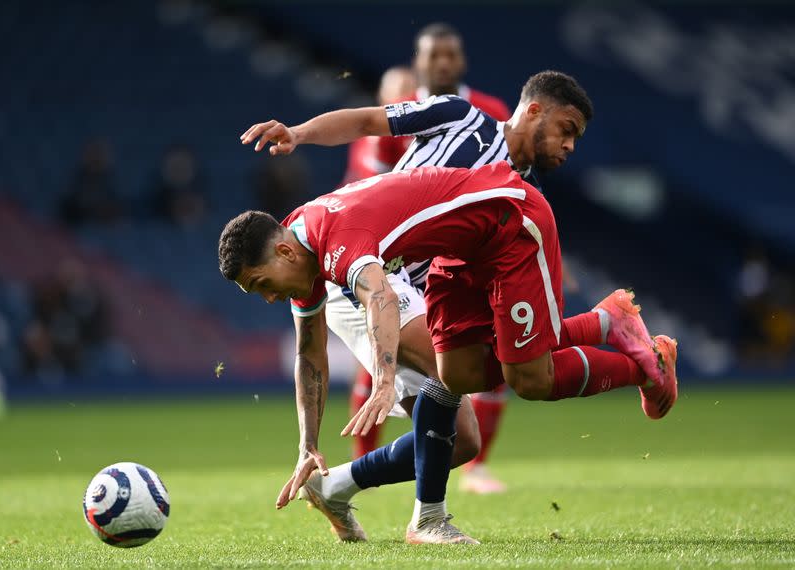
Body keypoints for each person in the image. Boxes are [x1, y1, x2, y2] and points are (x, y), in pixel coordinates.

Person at [228, 72, 678, 543]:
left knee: (523, 378)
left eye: (262, 286)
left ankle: (626, 350)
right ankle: (607, 324)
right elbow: (309, 352)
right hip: (440, 262)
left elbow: (376, 294)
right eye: (566, 130)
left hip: (494, 233)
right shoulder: (309, 243)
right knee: (461, 402)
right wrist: (307, 445)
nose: (270, 298)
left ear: (280, 253)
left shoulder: (334, 244)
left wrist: (383, 379)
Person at [344, 27, 513, 492]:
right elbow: (368, 189)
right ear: (418, 62)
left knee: (485, 358)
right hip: (398, 261)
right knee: (384, 356)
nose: (442, 63)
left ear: (461, 60)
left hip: (462, 259)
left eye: (450, 54)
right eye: (432, 55)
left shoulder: (490, 112)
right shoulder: (398, 114)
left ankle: (472, 468)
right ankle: (363, 464)